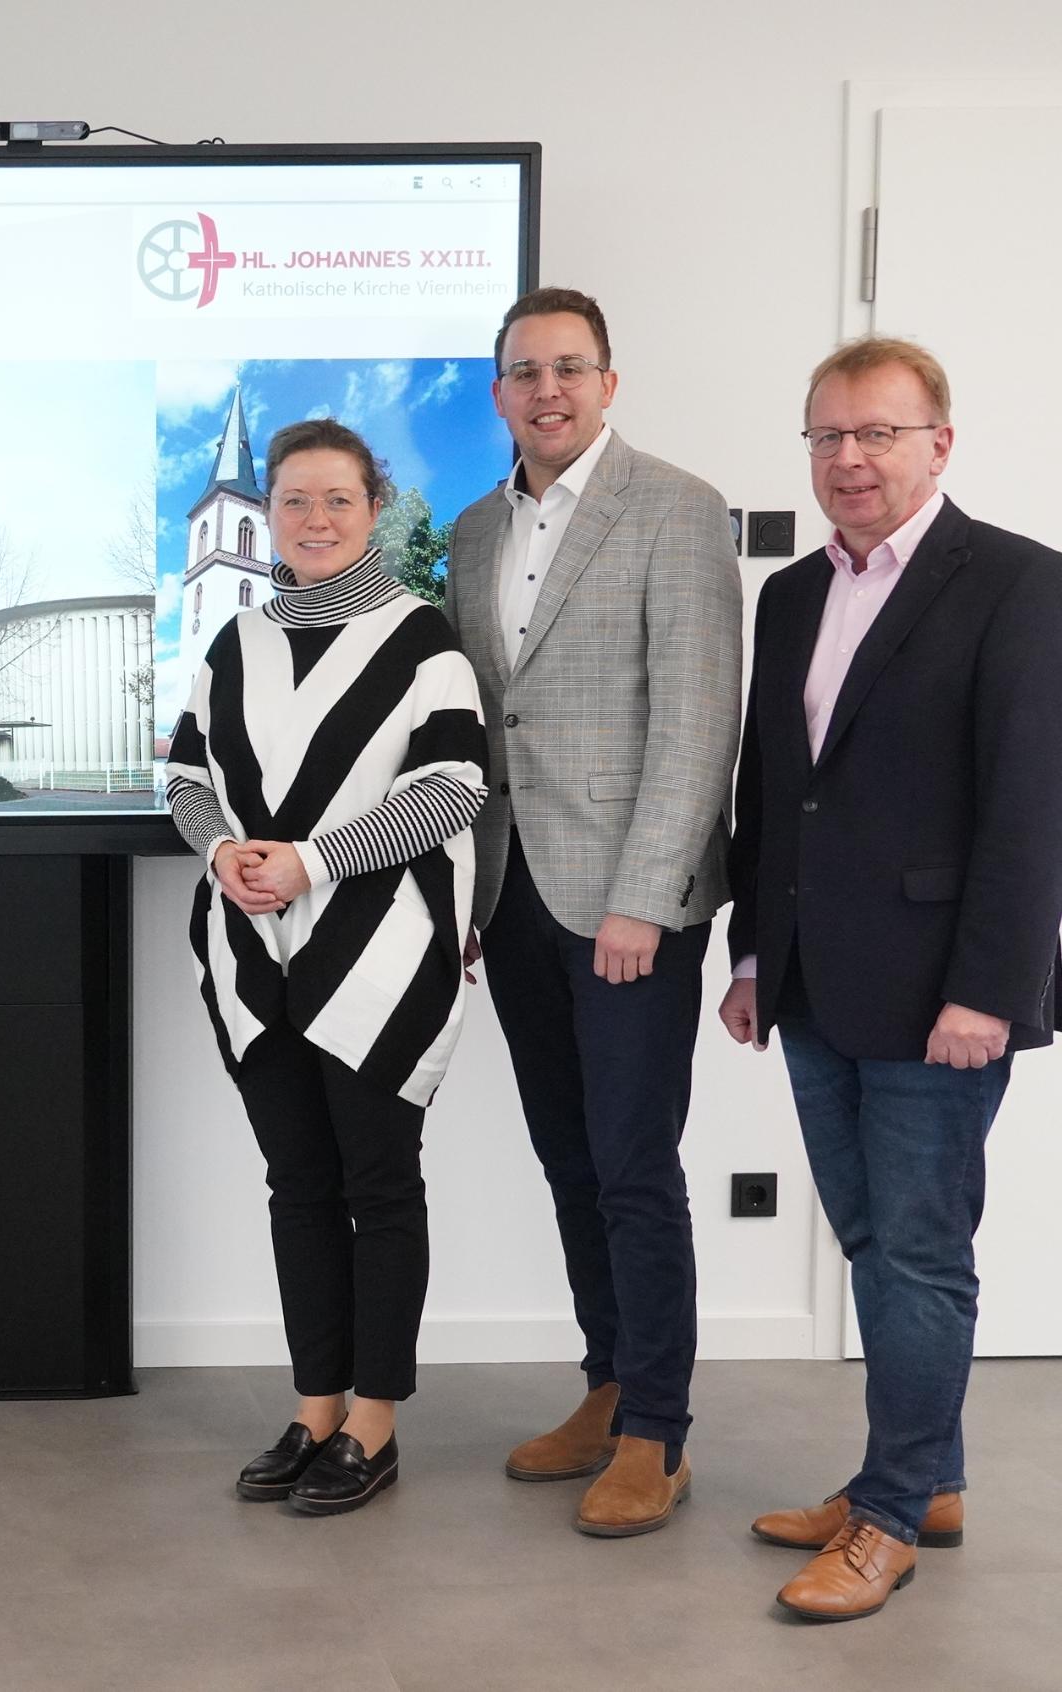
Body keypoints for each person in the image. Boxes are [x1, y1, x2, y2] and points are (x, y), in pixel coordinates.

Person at [720, 337, 1062, 1621]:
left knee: (918, 1255)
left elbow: (1032, 813)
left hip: (941, 995)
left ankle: (886, 1520)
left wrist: (991, 989)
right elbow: (775, 791)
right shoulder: (792, 595)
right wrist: (752, 950)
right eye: (826, 436)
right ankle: (925, 1480)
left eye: (876, 434)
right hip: (809, 979)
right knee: (871, 1238)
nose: (849, 459)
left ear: (940, 444)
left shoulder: (1021, 585)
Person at [444, 287, 742, 1537]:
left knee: (632, 1166)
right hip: (511, 895)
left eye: (571, 367)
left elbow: (695, 722)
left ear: (608, 381)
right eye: (525, 371)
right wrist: (461, 892)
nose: (548, 390)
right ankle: (608, 1385)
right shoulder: (468, 531)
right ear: (499, 392)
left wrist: (643, 901)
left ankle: (659, 1434)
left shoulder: (675, 509)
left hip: (628, 907)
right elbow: (472, 728)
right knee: (569, 1161)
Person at [167, 419, 485, 1516]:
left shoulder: (422, 639)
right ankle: (314, 1409)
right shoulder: (236, 645)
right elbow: (183, 777)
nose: (312, 520)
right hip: (255, 951)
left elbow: (453, 789)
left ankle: (376, 1422)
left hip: (382, 957)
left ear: (372, 508)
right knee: (297, 1184)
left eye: (336, 500)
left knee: (377, 1186)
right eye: (294, 500)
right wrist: (221, 851)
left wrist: (308, 861)